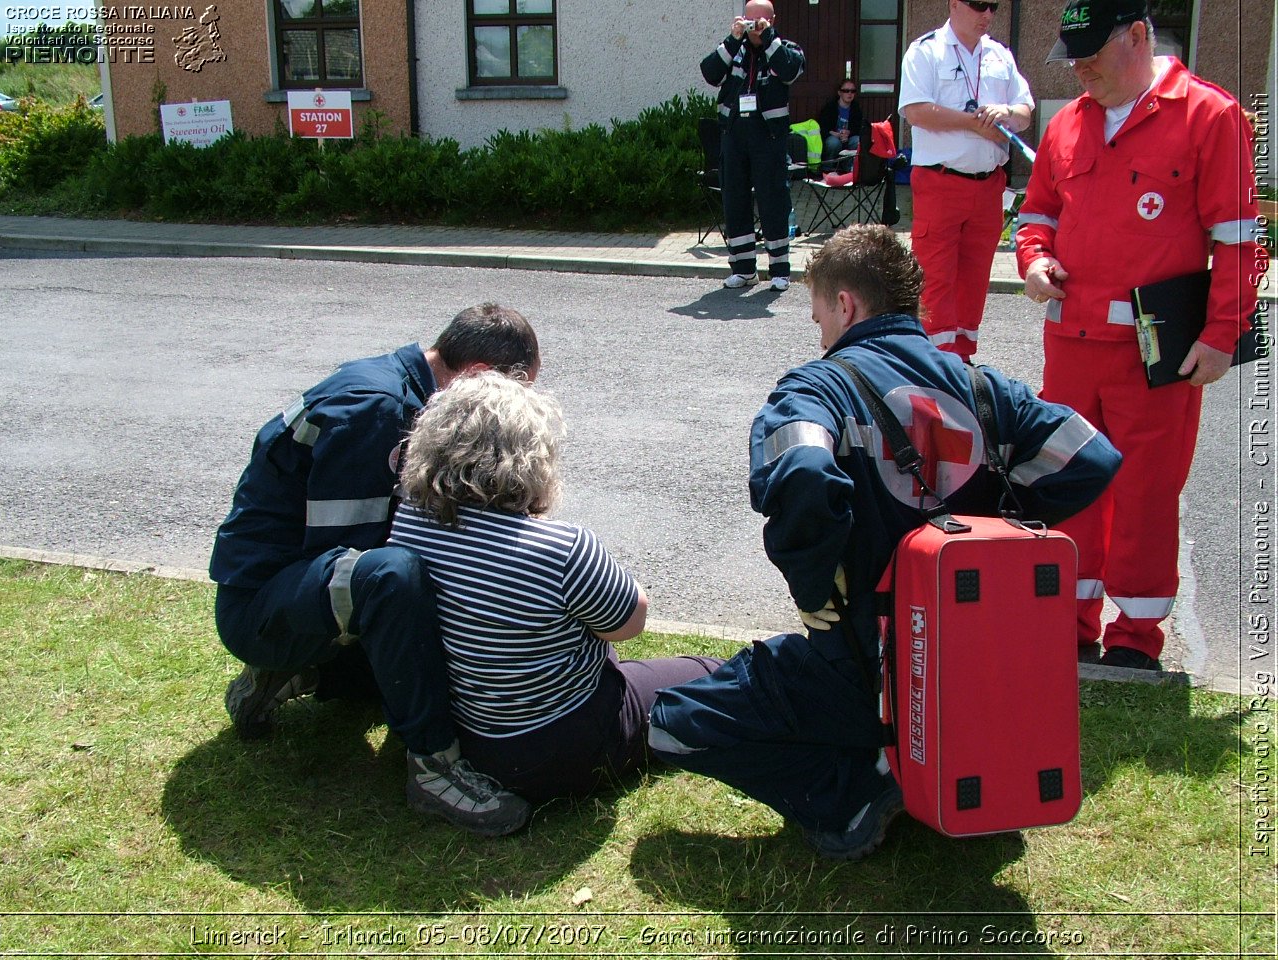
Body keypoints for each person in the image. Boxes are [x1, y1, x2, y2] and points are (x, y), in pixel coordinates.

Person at [648, 225, 1120, 860]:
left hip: (859, 661)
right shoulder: (982, 388)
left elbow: (806, 474)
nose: (819, 334)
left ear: (845, 304)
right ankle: (921, 765)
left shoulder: (819, 387)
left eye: (818, 316)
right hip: (970, 668)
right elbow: (1091, 456)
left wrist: (814, 583)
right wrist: (997, 531)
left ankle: (855, 790)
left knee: (671, 726)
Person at [209, 304, 540, 837]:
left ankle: (296, 673)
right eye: (515, 391)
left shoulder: (403, 388)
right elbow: (355, 555)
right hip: (261, 610)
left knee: (409, 591)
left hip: (296, 590)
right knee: (395, 578)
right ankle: (435, 767)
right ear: (479, 374)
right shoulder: (377, 409)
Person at [1016, 0, 1265, 670]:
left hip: (1155, 355)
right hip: (1070, 349)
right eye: (1070, 54)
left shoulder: (1208, 117)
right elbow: (1034, 214)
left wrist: (1221, 333)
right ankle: (1066, 621)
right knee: (1065, 488)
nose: (1078, 68)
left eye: (1092, 51)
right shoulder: (1068, 123)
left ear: (1137, 35)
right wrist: (1035, 261)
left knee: (1145, 497)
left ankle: (1135, 637)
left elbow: (1241, 241)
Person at [387, 373, 723, 804]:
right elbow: (629, 622)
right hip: (556, 752)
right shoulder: (559, 547)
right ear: (529, 457)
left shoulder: (408, 522)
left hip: (462, 740)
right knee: (708, 671)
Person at [899, 0, 1033, 360]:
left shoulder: (999, 55)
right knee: (936, 280)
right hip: (941, 182)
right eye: (978, 5)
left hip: (989, 184)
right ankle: (933, 363)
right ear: (954, 4)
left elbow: (1025, 111)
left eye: (993, 7)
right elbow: (916, 111)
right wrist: (974, 123)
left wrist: (1007, 112)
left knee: (974, 280)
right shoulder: (926, 51)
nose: (987, 15)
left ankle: (962, 358)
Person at [702, 0, 806, 293]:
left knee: (773, 200)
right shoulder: (734, 49)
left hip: (768, 138)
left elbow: (788, 71)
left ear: (773, 20)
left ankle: (780, 270)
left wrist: (769, 38)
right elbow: (710, 73)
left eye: (760, 20)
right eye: (749, 20)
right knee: (734, 201)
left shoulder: (786, 48)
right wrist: (732, 39)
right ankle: (744, 269)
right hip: (734, 135)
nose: (754, 26)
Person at [817, 79, 864, 169]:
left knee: (857, 141)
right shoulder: (830, 107)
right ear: (839, 93)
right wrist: (835, 134)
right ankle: (827, 168)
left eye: (853, 91)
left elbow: (859, 127)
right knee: (833, 142)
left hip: (849, 138)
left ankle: (849, 168)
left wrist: (849, 133)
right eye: (846, 91)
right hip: (833, 136)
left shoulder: (856, 108)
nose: (849, 94)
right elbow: (822, 126)